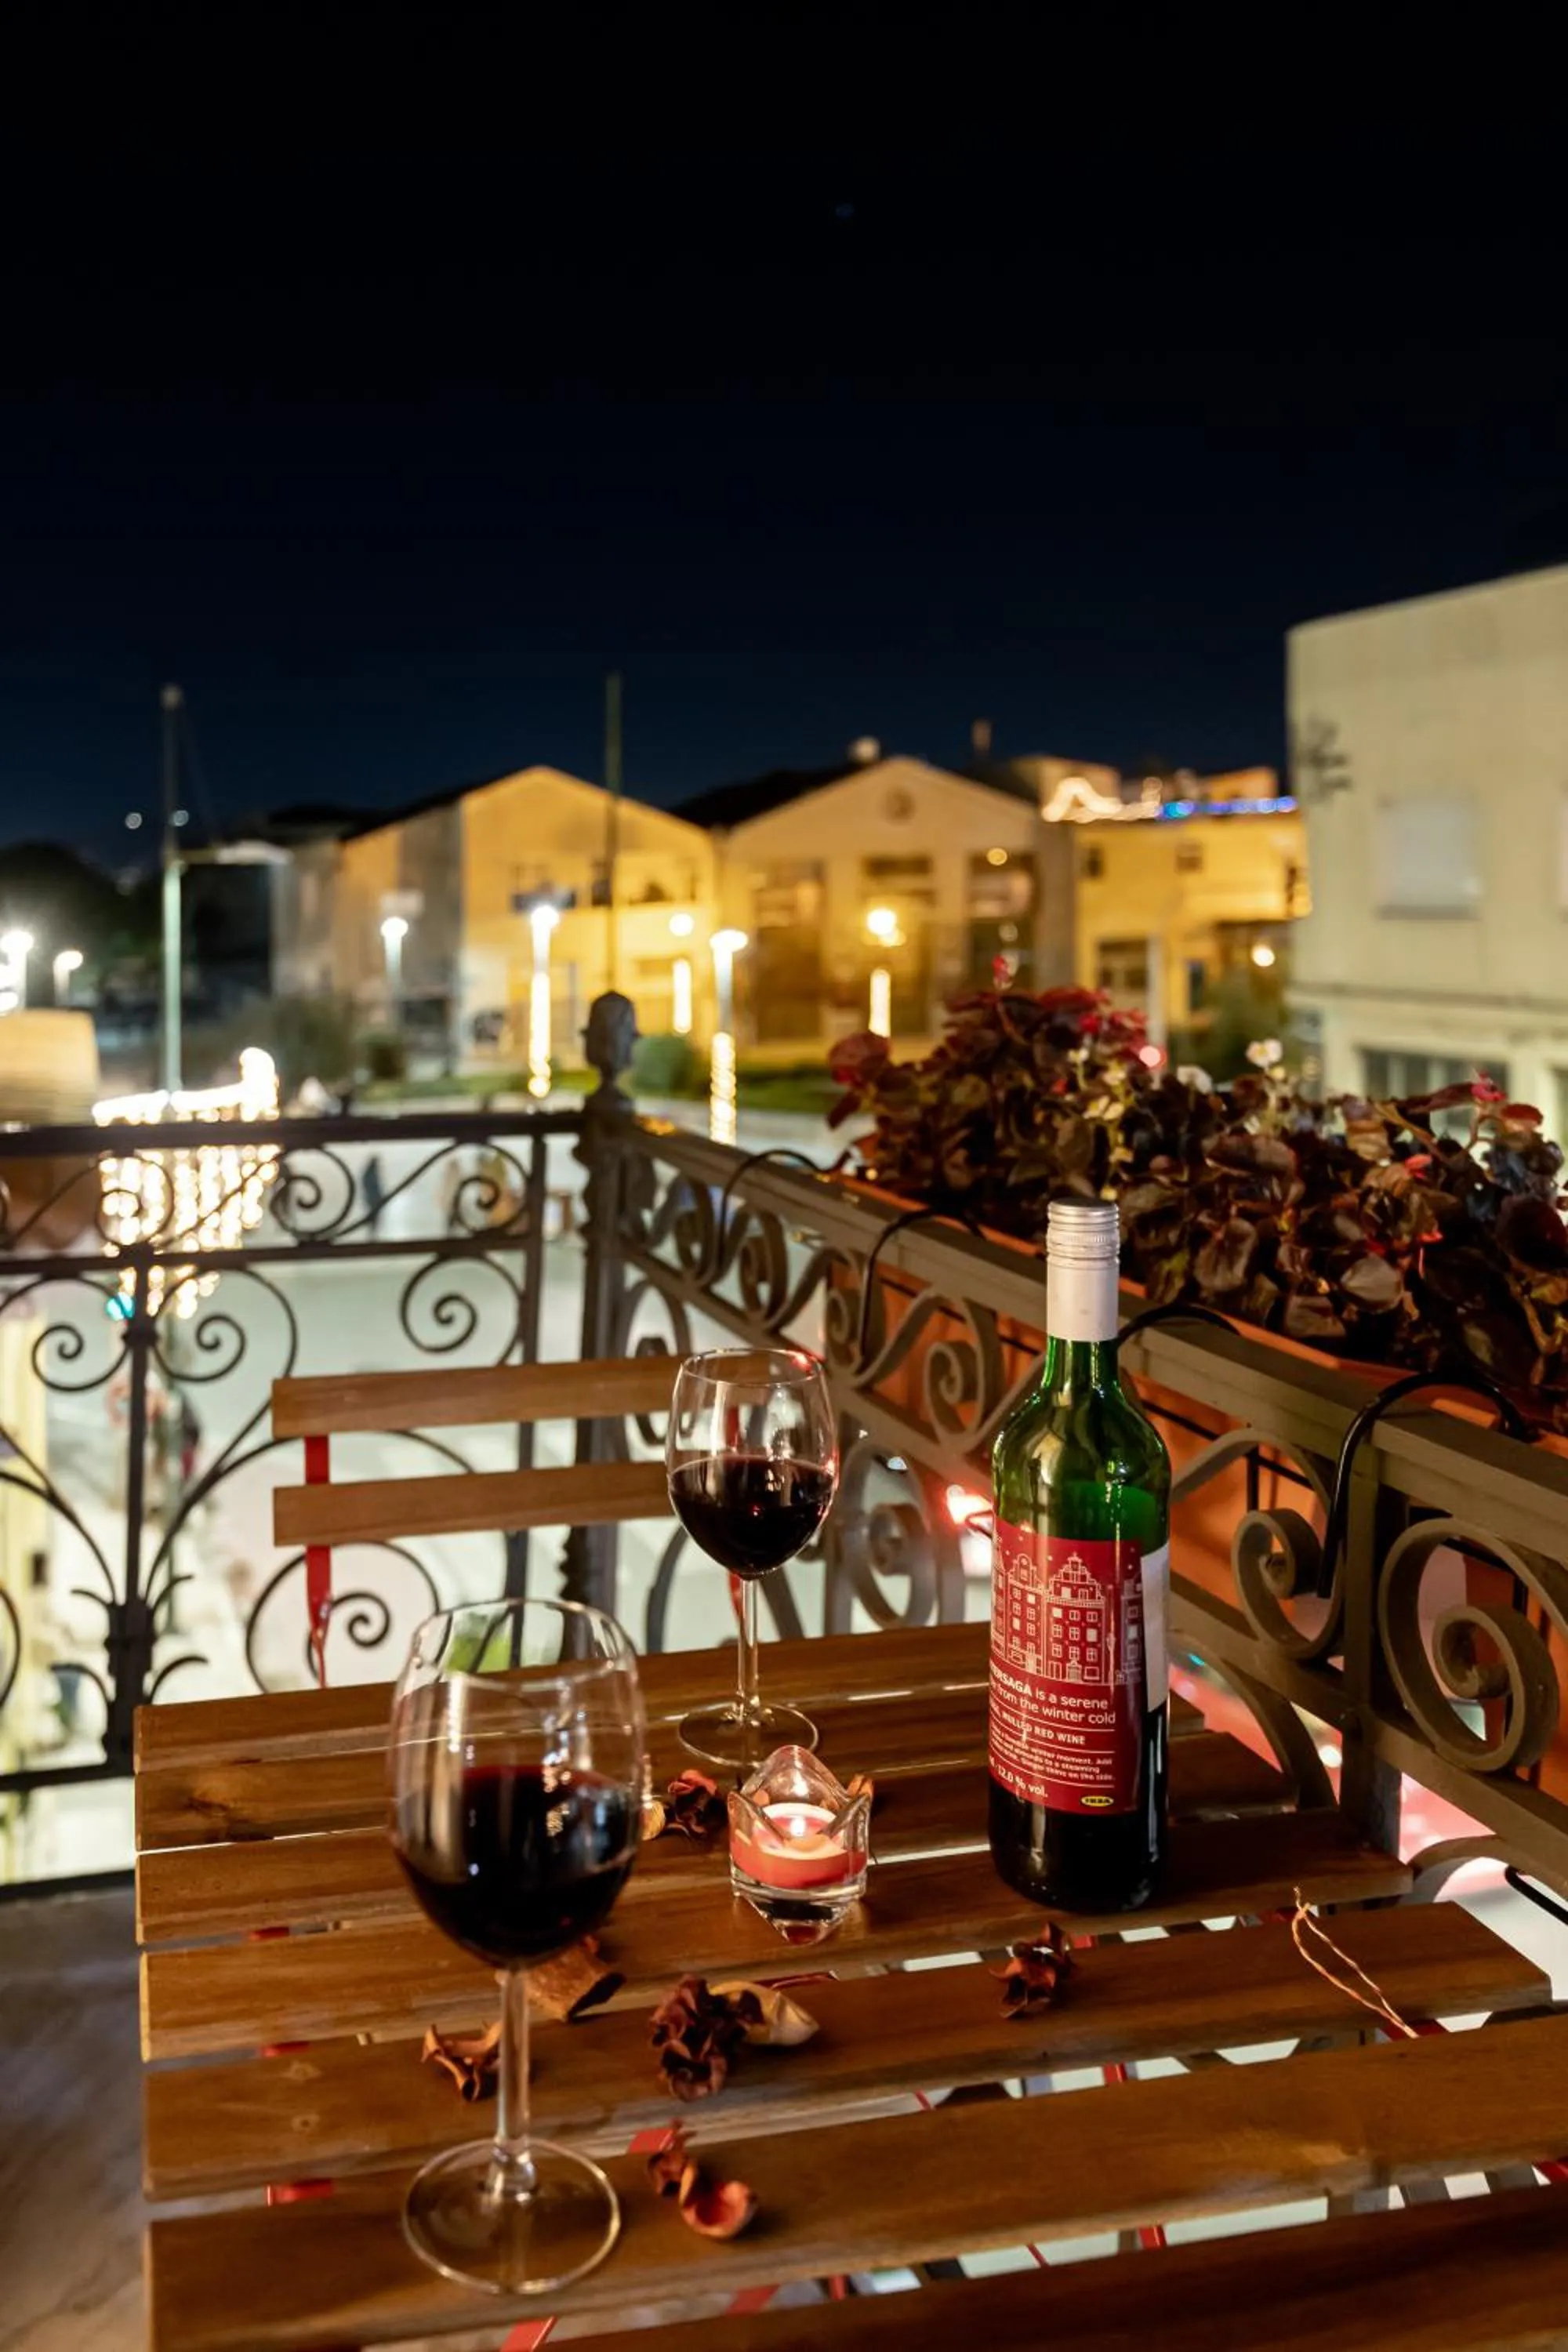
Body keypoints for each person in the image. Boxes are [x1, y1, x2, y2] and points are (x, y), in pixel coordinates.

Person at [361, 1152, 387, 1235]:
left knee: (375, 1215)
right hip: (373, 1197)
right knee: (374, 1215)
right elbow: (371, 1186)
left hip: (374, 1197)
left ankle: (373, 1233)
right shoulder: (370, 1173)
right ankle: (372, 1233)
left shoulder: (370, 1172)